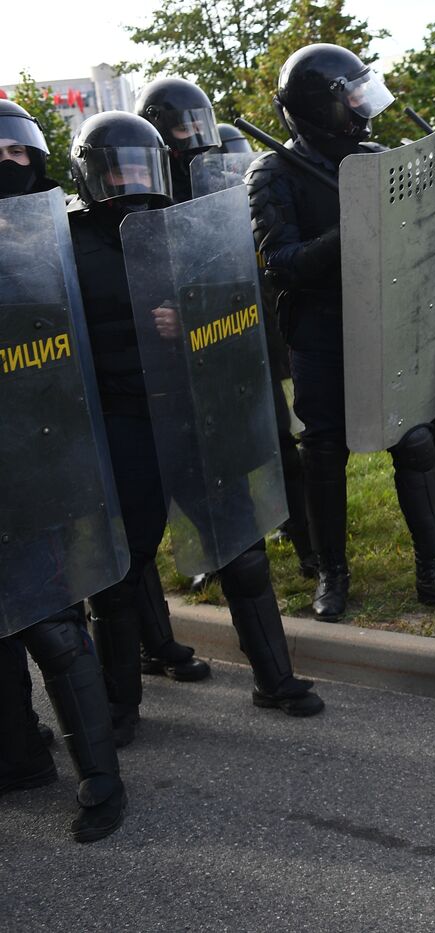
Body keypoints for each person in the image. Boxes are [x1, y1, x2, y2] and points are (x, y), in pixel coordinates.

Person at [69, 111, 327, 747]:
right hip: (121, 421)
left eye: (141, 164)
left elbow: (234, 303)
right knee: (124, 573)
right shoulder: (64, 241)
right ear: (90, 173)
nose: (132, 179)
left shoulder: (185, 228)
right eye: (117, 167)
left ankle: (275, 679)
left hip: (189, 413)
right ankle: (120, 706)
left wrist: (192, 319)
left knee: (241, 550)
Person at [246, 43, 435, 622]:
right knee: (323, 453)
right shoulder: (273, 172)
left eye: (360, 92)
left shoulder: (379, 158)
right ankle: (332, 574)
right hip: (320, 328)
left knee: (417, 441)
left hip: (388, 319)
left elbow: (423, 240)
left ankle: (432, 571)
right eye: (348, 96)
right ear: (317, 105)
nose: (360, 106)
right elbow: (282, 264)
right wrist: (351, 231)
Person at [0, 99, 127, 843]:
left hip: (44, 452)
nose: (7, 167)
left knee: (52, 620)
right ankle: (18, 759)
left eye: (16, 154)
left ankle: (102, 778)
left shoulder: (64, 239)